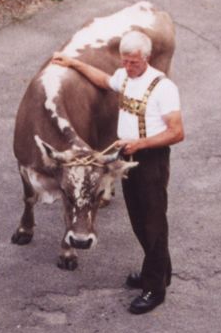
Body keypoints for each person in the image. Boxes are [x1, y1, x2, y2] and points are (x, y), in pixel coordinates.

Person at [52, 29, 185, 314]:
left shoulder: (163, 88)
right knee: (139, 220)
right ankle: (159, 271)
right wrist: (73, 63)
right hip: (125, 158)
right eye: (125, 61)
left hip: (150, 159)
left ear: (146, 58)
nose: (127, 66)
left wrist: (141, 143)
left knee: (153, 221)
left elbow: (177, 132)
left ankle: (154, 289)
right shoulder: (124, 76)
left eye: (134, 62)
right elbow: (104, 80)